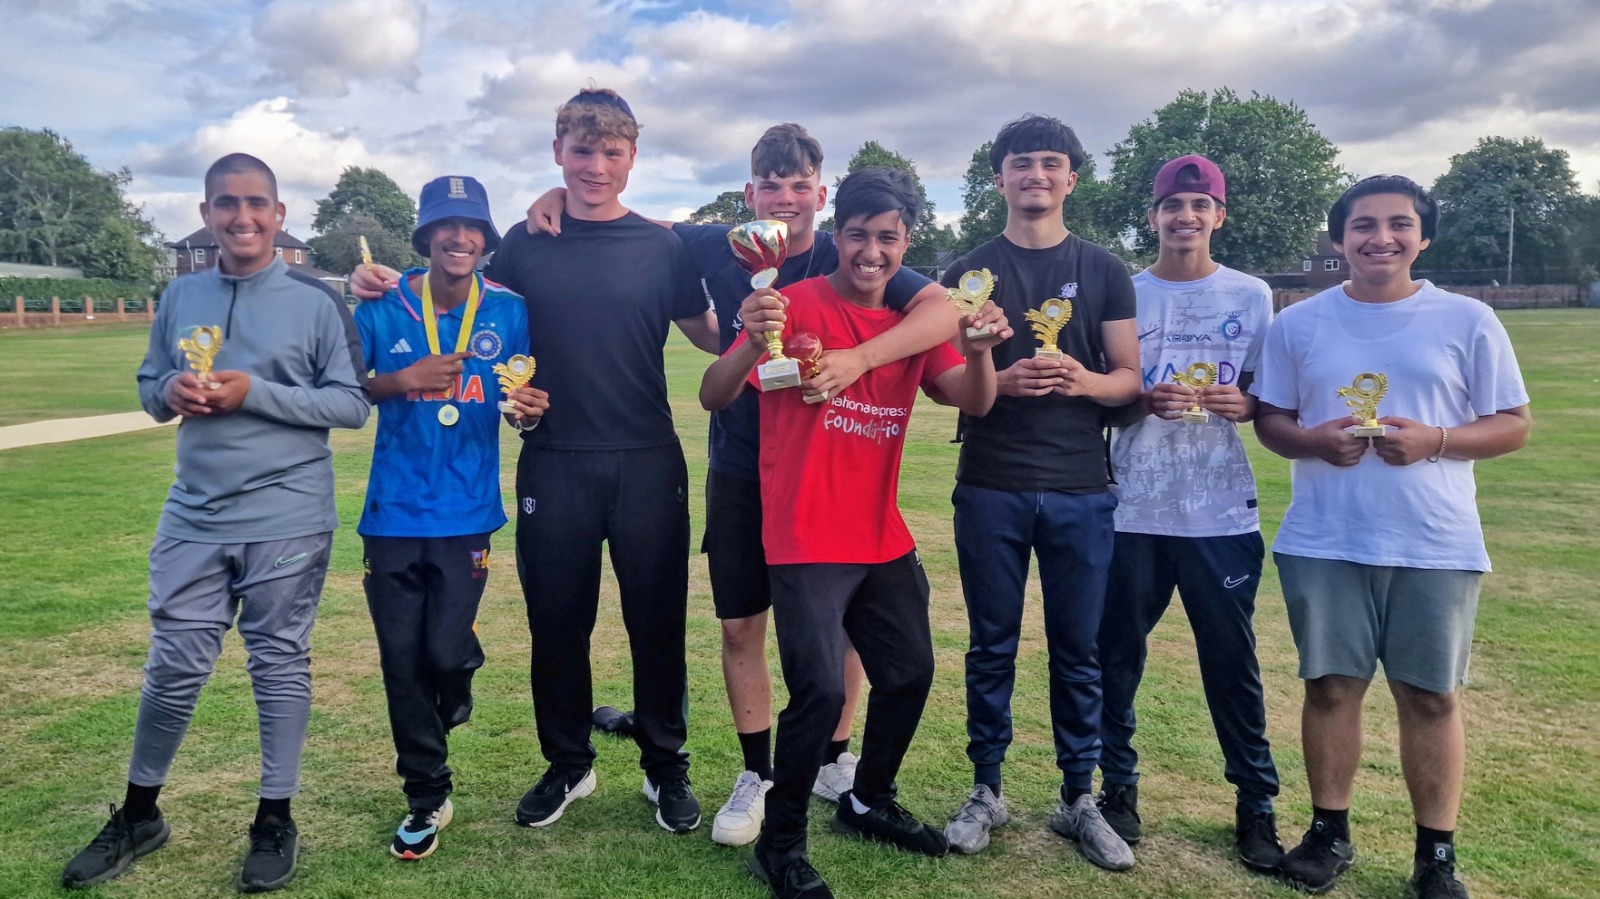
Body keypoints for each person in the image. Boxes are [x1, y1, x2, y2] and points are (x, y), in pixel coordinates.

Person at [526, 122, 963, 846]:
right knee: (741, 624)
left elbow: (942, 308)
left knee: (849, 625)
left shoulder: (851, 247)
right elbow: (639, 221)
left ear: (821, 195)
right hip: (740, 465)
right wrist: (557, 196)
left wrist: (857, 360)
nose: (785, 198)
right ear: (748, 193)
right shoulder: (720, 243)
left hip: (824, 473)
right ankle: (757, 772)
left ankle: (833, 757)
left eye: (800, 185)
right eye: (770, 185)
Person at [353, 88, 718, 834]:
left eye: (611, 152)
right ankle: (568, 762)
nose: (594, 166)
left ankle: (665, 764)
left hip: (648, 458)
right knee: (557, 624)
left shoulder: (663, 246)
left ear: (632, 158)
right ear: (558, 153)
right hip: (552, 460)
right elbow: (453, 284)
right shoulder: (523, 241)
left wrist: (762, 330)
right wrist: (380, 280)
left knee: (657, 623)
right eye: (580, 152)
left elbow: (707, 333)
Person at [61, 153, 369, 892]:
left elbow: (351, 404)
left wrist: (252, 392)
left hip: (288, 514)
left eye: (257, 203)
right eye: (226, 204)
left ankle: (274, 818)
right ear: (206, 214)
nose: (243, 217)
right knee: (173, 667)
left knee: (278, 664)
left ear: (280, 214)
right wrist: (169, 387)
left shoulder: (315, 298)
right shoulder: (183, 295)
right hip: (194, 512)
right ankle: (140, 814)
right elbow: (148, 388)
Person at [702, 166, 1005, 899]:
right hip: (805, 532)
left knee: (909, 673)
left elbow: (974, 400)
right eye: (860, 236)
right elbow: (715, 392)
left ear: (906, 243)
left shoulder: (910, 324)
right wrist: (749, 338)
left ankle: (869, 795)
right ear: (839, 237)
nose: (872, 252)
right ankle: (781, 844)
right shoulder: (795, 301)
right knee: (814, 692)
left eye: (889, 238)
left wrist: (983, 349)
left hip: (879, 532)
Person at [1252, 175, 1531, 899]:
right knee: (1331, 686)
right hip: (1326, 536)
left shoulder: (1467, 320)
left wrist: (1437, 438)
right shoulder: (1299, 324)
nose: (1382, 237)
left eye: (1399, 224)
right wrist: (1313, 440)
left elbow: (1513, 422)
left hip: (1434, 540)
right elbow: (1272, 420)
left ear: (1423, 235)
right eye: (1364, 225)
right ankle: (1328, 831)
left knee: (1431, 695)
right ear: (1339, 238)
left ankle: (1435, 855)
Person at [937, 114, 1141, 871]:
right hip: (990, 481)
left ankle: (1078, 797)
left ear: (1071, 178)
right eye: (1022, 164)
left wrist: (1080, 379)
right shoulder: (965, 270)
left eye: (1052, 164)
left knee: (1078, 649)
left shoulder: (1105, 269)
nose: (1037, 176)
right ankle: (987, 788)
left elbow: (1128, 380)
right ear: (1000, 178)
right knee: (991, 644)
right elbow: (947, 383)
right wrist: (1001, 377)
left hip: (1082, 486)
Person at [1095, 155, 1283, 872]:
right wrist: (1137, 399)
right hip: (1130, 506)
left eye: (1200, 205)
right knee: (1114, 656)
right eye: (1173, 205)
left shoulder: (1253, 293)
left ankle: (1256, 805)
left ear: (1218, 216)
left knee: (1232, 663)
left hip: (1219, 512)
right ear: (1154, 216)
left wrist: (1250, 404)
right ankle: (1118, 789)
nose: (1185, 217)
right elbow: (1098, 400)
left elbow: (1272, 396)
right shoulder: (1124, 291)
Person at [353, 175, 547, 860]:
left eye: (471, 227)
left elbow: (523, 391)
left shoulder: (509, 311)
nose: (459, 238)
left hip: (467, 510)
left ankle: (458, 673)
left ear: (485, 239)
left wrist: (527, 410)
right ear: (427, 237)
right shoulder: (381, 304)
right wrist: (401, 381)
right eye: (446, 226)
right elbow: (345, 390)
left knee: (442, 650)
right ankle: (426, 793)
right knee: (401, 661)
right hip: (392, 511)